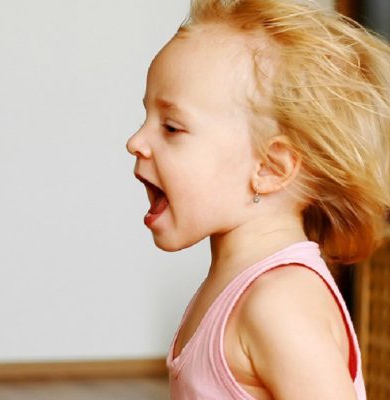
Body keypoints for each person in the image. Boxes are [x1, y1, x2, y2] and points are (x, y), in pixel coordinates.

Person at [126, 0, 390, 398]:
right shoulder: (234, 287)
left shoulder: (279, 302)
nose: (136, 142)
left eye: (172, 127)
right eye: (146, 117)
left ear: (270, 168)